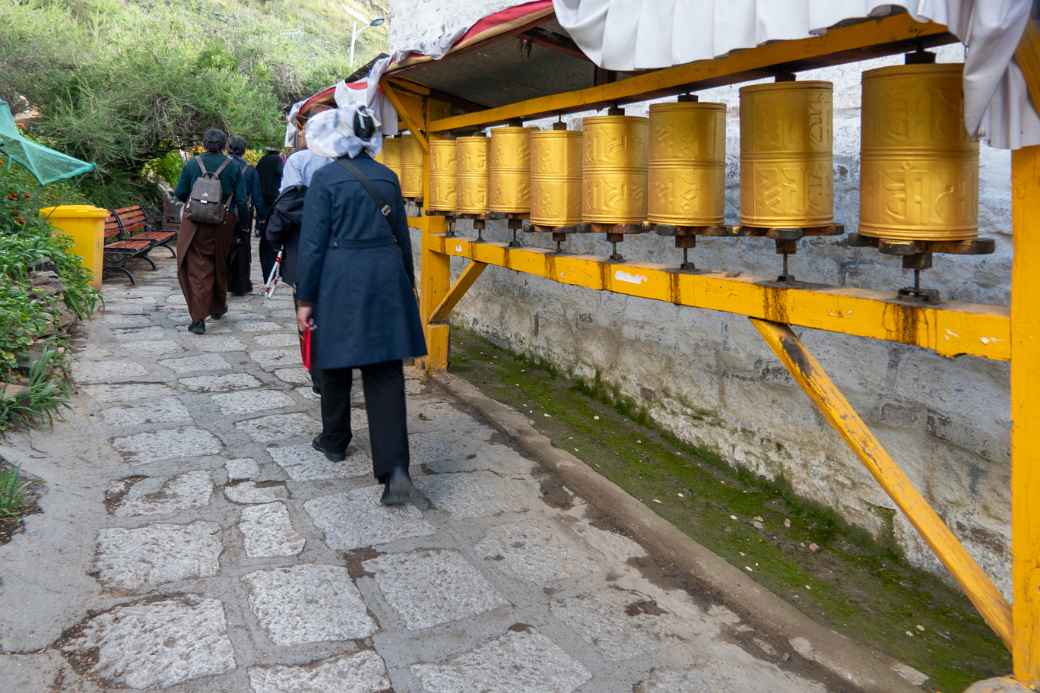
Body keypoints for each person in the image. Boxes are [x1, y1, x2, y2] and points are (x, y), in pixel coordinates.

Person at [295, 106, 426, 506]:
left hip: (341, 278)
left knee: (333, 360)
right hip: (386, 278)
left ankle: (334, 440)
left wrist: (305, 298)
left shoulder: (325, 179)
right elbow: (402, 239)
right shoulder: (387, 177)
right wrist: (407, 286)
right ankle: (395, 470)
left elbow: (313, 245)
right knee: (385, 373)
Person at [174, 128, 248, 335]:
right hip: (223, 222)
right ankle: (217, 307)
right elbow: (241, 200)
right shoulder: (233, 167)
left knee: (198, 268)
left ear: (204, 144)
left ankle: (198, 319)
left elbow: (180, 193)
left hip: (195, 223)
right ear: (224, 145)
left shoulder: (191, 165)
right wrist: (243, 225)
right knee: (219, 264)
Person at [227, 136, 268, 296]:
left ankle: (224, 280)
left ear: (228, 148)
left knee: (224, 246)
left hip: (223, 213)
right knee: (243, 247)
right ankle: (241, 283)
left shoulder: (224, 166)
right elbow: (257, 197)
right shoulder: (250, 170)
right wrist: (263, 216)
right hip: (243, 214)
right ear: (244, 150)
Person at [255, 146, 284, 283]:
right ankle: (274, 273)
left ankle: (268, 274)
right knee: (273, 238)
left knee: (265, 239)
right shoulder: (278, 160)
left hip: (263, 202)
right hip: (275, 202)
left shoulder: (262, 160)